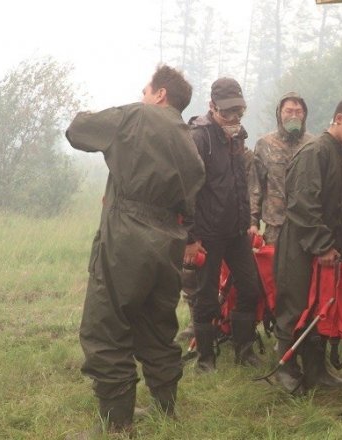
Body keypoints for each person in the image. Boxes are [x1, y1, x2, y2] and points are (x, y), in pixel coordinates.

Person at [65, 65, 204, 436]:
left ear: (160, 95)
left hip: (128, 234)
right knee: (157, 325)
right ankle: (165, 410)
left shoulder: (138, 115)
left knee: (106, 324)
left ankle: (116, 424)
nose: (142, 95)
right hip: (170, 241)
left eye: (145, 90)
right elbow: (191, 203)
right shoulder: (189, 141)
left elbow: (78, 130)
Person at [272, 96, 342, 393]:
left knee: (319, 306)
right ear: (340, 119)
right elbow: (304, 205)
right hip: (299, 244)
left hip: (327, 246)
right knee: (294, 303)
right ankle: (286, 368)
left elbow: (341, 209)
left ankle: (316, 371)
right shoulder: (314, 151)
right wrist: (322, 245)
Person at [185, 77, 268, 373]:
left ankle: (244, 351)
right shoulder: (199, 137)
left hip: (236, 231)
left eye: (239, 112)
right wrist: (191, 237)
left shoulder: (238, 136)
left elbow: (238, 184)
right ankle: (205, 359)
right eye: (228, 112)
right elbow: (187, 190)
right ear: (212, 106)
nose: (234, 118)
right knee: (204, 298)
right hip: (206, 233)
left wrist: (247, 221)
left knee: (250, 289)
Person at [248, 92, 315, 245]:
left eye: (298, 112)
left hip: (306, 226)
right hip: (275, 227)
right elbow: (255, 186)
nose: (294, 116)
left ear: (304, 115)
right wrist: (252, 222)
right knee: (273, 268)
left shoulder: (313, 145)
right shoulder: (265, 144)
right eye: (289, 111)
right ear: (280, 114)